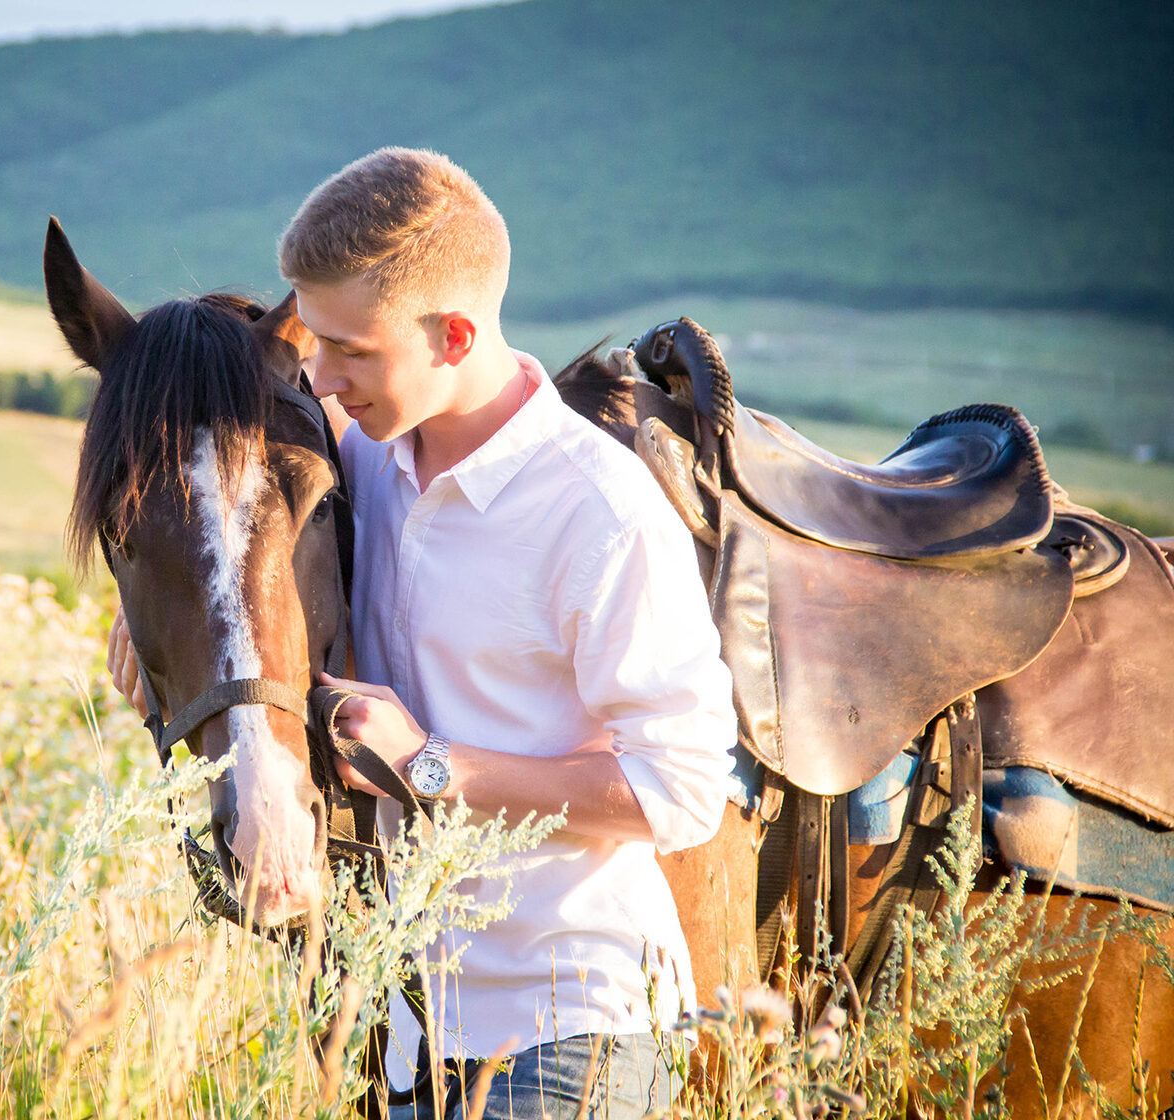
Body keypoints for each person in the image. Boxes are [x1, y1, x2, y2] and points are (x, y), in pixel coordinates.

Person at [111, 147, 735, 1118]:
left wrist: (431, 763)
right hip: (408, 1034)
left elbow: (688, 790)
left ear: (452, 334)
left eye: (350, 350)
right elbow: (230, 518)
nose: (320, 373)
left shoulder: (597, 511)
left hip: (567, 1036)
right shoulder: (363, 461)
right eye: (313, 342)